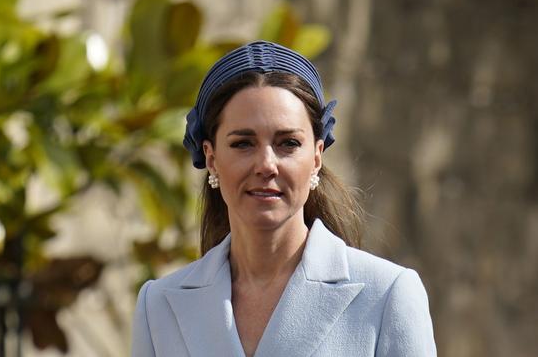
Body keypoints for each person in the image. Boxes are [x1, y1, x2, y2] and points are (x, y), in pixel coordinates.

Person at [131, 41, 436, 357]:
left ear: (316, 157)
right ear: (211, 158)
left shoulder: (387, 294)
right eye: (243, 143)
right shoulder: (158, 305)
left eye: (288, 143)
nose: (266, 165)